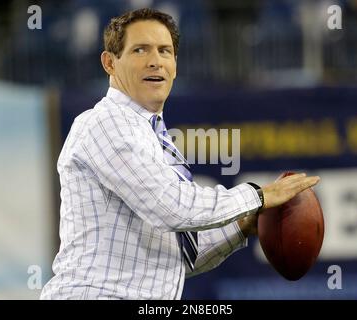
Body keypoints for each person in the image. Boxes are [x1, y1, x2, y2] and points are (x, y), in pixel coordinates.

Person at [40, 8, 320, 300]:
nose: (155, 62)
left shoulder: (151, 134)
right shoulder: (105, 123)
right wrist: (257, 196)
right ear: (110, 63)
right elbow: (171, 207)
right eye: (140, 50)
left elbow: (174, 258)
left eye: (165, 51)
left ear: (175, 64)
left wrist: (240, 226)